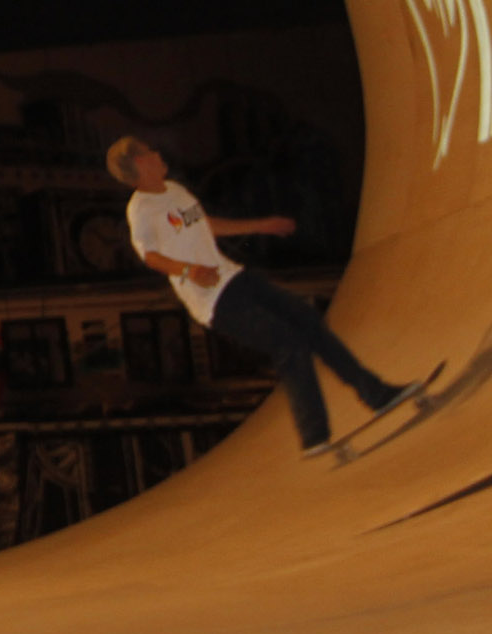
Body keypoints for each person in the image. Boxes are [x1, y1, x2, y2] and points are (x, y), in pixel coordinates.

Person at [109, 135, 432, 458]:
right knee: (288, 343)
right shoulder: (141, 209)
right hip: (212, 301)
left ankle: (377, 395)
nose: (158, 154)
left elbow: (206, 225)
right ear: (140, 162)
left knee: (307, 320)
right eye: (151, 152)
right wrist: (188, 270)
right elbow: (149, 256)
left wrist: (261, 225)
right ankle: (314, 436)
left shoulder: (174, 192)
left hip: (232, 277)